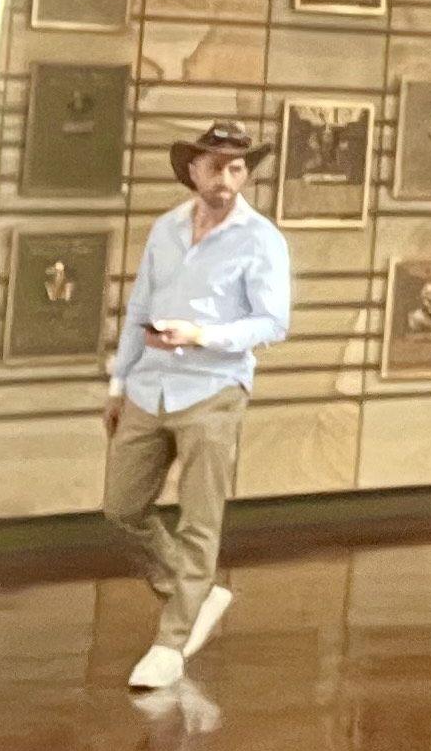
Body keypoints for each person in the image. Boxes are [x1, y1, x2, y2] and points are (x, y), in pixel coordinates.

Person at [103, 118, 291, 696]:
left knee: (199, 521)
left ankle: (171, 644)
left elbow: (272, 322)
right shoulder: (165, 229)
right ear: (192, 169)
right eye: (215, 167)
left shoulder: (261, 239)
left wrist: (203, 335)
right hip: (149, 386)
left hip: (213, 389)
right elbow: (139, 307)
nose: (226, 180)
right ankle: (195, 591)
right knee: (121, 508)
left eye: (236, 168)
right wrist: (118, 383)